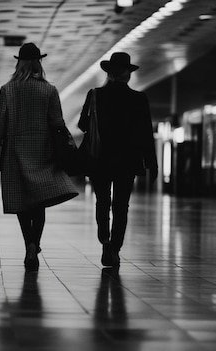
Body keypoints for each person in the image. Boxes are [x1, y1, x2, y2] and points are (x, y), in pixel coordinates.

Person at [0, 43, 79, 271]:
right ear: (38, 62)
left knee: (22, 201)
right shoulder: (49, 90)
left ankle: (28, 243)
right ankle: (35, 244)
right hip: (42, 148)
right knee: (39, 202)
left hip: (15, 149)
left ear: (18, 63)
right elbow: (57, 123)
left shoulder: (7, 90)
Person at [78, 52, 158, 267]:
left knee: (102, 202)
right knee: (121, 205)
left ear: (110, 73)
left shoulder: (95, 95)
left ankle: (104, 239)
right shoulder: (139, 99)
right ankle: (115, 247)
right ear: (127, 74)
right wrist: (152, 162)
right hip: (127, 161)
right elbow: (145, 133)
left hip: (100, 159)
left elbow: (82, 125)